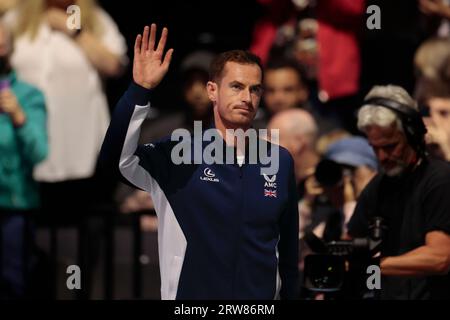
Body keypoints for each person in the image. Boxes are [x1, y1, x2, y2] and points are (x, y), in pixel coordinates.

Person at [100, 24, 299, 300]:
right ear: (212, 91)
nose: (246, 97)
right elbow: (114, 159)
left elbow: (288, 252)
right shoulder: (178, 153)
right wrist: (139, 90)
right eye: (236, 86)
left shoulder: (280, 160)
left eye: (255, 90)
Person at [347, 85, 450, 299]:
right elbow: (351, 240)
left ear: (412, 135)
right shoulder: (378, 185)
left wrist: (373, 264)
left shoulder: (440, 180)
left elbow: (440, 258)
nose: (382, 157)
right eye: (375, 148)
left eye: (390, 146)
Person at [0, 23, 47, 298]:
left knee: (12, 282)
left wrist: (19, 116)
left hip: (13, 208)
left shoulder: (29, 95)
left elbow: (39, 152)